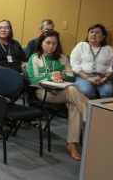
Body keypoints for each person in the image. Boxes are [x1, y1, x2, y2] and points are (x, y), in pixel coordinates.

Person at [26, 30, 88, 161]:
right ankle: (93, 118)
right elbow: (32, 80)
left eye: (54, 43)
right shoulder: (35, 58)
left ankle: (71, 144)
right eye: (48, 43)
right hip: (44, 92)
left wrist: (62, 75)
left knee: (74, 104)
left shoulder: (63, 58)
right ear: (41, 43)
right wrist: (49, 76)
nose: (51, 46)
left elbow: (72, 78)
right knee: (72, 91)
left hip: (62, 91)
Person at [70, 24, 113, 99]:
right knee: (86, 90)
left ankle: (101, 110)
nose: (94, 34)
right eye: (91, 32)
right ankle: (90, 110)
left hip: (103, 77)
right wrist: (88, 78)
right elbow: (74, 64)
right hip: (83, 76)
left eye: (98, 32)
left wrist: (105, 78)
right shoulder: (81, 46)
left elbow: (112, 66)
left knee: (108, 91)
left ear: (103, 37)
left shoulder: (109, 49)